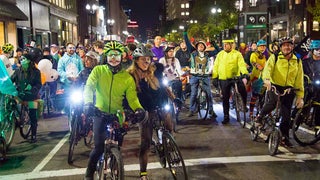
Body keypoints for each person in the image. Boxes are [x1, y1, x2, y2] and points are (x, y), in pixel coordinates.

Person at [83, 41, 145, 180]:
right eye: (111, 55)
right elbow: (89, 88)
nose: (113, 58)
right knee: (98, 147)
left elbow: (132, 98)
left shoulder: (127, 77)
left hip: (118, 114)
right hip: (100, 112)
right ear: (106, 56)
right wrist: (88, 103)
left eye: (117, 55)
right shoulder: (98, 71)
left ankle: (115, 167)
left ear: (122, 57)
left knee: (118, 147)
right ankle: (89, 174)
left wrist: (138, 109)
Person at [127, 44, 171, 180]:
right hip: (144, 111)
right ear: (136, 60)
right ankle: (143, 173)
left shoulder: (155, 71)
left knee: (169, 127)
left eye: (148, 59)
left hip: (159, 105)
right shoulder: (131, 76)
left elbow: (163, 89)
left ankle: (166, 144)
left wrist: (172, 99)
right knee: (145, 142)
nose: (146, 62)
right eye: (143, 59)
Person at [254, 37, 304, 147]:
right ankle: (260, 116)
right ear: (281, 47)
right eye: (284, 45)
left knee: (286, 116)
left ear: (292, 46)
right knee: (272, 103)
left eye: (289, 45)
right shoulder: (275, 57)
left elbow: (299, 79)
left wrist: (300, 96)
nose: (287, 47)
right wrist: (267, 80)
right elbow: (268, 69)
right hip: (274, 86)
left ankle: (284, 138)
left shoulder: (297, 60)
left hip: (289, 89)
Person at [212, 39, 249, 124]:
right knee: (225, 98)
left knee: (243, 90)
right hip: (224, 78)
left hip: (235, 77)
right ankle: (226, 116)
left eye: (227, 44)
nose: (225, 46)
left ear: (232, 45)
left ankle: (243, 104)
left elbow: (241, 64)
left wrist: (245, 73)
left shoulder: (237, 54)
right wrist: (215, 77)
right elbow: (216, 66)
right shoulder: (220, 54)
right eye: (224, 44)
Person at [183, 31, 217, 118]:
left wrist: (214, 44)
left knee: (209, 94)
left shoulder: (207, 54)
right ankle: (191, 110)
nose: (201, 46)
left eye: (202, 45)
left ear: (204, 47)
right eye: (199, 45)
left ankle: (211, 110)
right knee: (193, 94)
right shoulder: (193, 53)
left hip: (205, 77)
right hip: (195, 76)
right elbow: (187, 42)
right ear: (197, 47)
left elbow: (218, 51)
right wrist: (185, 33)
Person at [11, 48, 42, 143]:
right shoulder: (17, 71)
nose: (22, 60)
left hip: (32, 96)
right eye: (21, 59)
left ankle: (33, 134)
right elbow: (10, 80)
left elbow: (38, 84)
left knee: (33, 115)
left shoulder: (36, 72)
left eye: (24, 59)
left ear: (29, 61)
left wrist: (32, 88)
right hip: (20, 95)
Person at [57, 42, 84, 116]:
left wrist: (78, 77)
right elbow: (60, 70)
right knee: (67, 101)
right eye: (70, 48)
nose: (72, 49)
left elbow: (82, 69)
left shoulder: (78, 59)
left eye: (73, 48)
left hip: (77, 83)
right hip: (66, 84)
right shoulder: (62, 60)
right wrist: (67, 76)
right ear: (66, 49)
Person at [299, 39, 320, 133]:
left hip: (318, 88)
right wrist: (306, 82)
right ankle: (294, 121)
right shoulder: (305, 62)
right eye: (317, 49)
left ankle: (318, 126)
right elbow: (301, 74)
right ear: (312, 50)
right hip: (308, 87)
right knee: (303, 104)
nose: (319, 51)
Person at [248, 40, 270, 119]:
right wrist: (258, 65)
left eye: (264, 46)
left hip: (266, 77)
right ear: (257, 47)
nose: (262, 47)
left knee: (264, 96)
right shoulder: (254, 54)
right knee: (255, 95)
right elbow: (253, 61)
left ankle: (262, 112)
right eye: (261, 46)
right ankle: (251, 112)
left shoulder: (268, 54)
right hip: (256, 77)